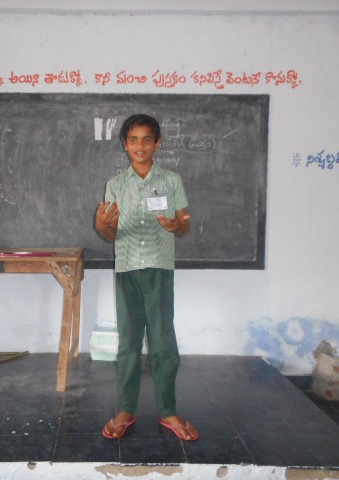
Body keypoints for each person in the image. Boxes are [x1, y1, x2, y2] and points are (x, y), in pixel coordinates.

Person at [94, 114, 199, 441]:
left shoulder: (171, 180)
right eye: (133, 140)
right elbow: (110, 234)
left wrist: (178, 226)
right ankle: (126, 410)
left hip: (158, 267)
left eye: (147, 139)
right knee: (128, 342)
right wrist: (102, 225)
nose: (140, 146)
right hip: (126, 268)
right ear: (125, 145)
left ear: (158, 144)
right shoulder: (115, 184)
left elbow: (184, 225)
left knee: (162, 340)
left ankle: (168, 411)